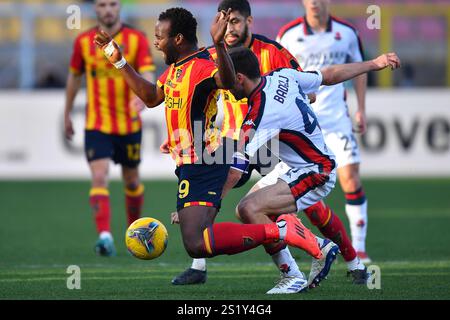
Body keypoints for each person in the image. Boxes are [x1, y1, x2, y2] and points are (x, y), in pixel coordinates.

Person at [95, 7, 325, 292]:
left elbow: (228, 83)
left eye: (159, 36)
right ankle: (292, 266)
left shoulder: (205, 63)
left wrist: (217, 43)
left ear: (177, 38)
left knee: (195, 242)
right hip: (194, 160)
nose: (156, 42)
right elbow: (152, 98)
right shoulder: (175, 69)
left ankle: (282, 231)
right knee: (200, 239)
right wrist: (119, 62)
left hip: (205, 160)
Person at [171, 0, 363, 292]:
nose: (229, 28)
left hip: (269, 141)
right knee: (209, 182)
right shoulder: (212, 55)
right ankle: (200, 262)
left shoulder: (272, 51)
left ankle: (353, 261)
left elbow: (304, 89)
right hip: (233, 139)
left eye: (235, 21)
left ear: (249, 21)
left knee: (301, 203)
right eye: (224, 22)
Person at [221, 47, 400, 293]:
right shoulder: (283, 75)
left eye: (227, 78)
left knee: (249, 208)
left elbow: (236, 170)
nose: (225, 86)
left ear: (239, 77)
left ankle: (308, 260)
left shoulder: (259, 114)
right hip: (296, 165)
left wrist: (210, 205)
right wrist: (373, 63)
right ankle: (311, 260)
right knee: (249, 212)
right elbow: (329, 75)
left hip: (316, 171)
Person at [277, 0, 372, 263]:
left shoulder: (347, 33)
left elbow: (360, 70)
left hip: (336, 120)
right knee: (298, 191)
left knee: (350, 179)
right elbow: (277, 73)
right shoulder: (288, 35)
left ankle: (360, 247)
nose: (315, 3)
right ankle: (317, 247)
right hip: (303, 126)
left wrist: (360, 108)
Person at [64, 0, 155, 256]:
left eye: (113, 4)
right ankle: (105, 236)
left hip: (129, 124)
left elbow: (148, 71)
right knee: (99, 176)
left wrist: (144, 95)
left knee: (132, 180)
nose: (108, 9)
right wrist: (67, 113)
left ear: (119, 8)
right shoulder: (83, 41)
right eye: (102, 4)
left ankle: (131, 232)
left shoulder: (136, 39)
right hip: (98, 123)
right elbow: (74, 77)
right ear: (96, 9)